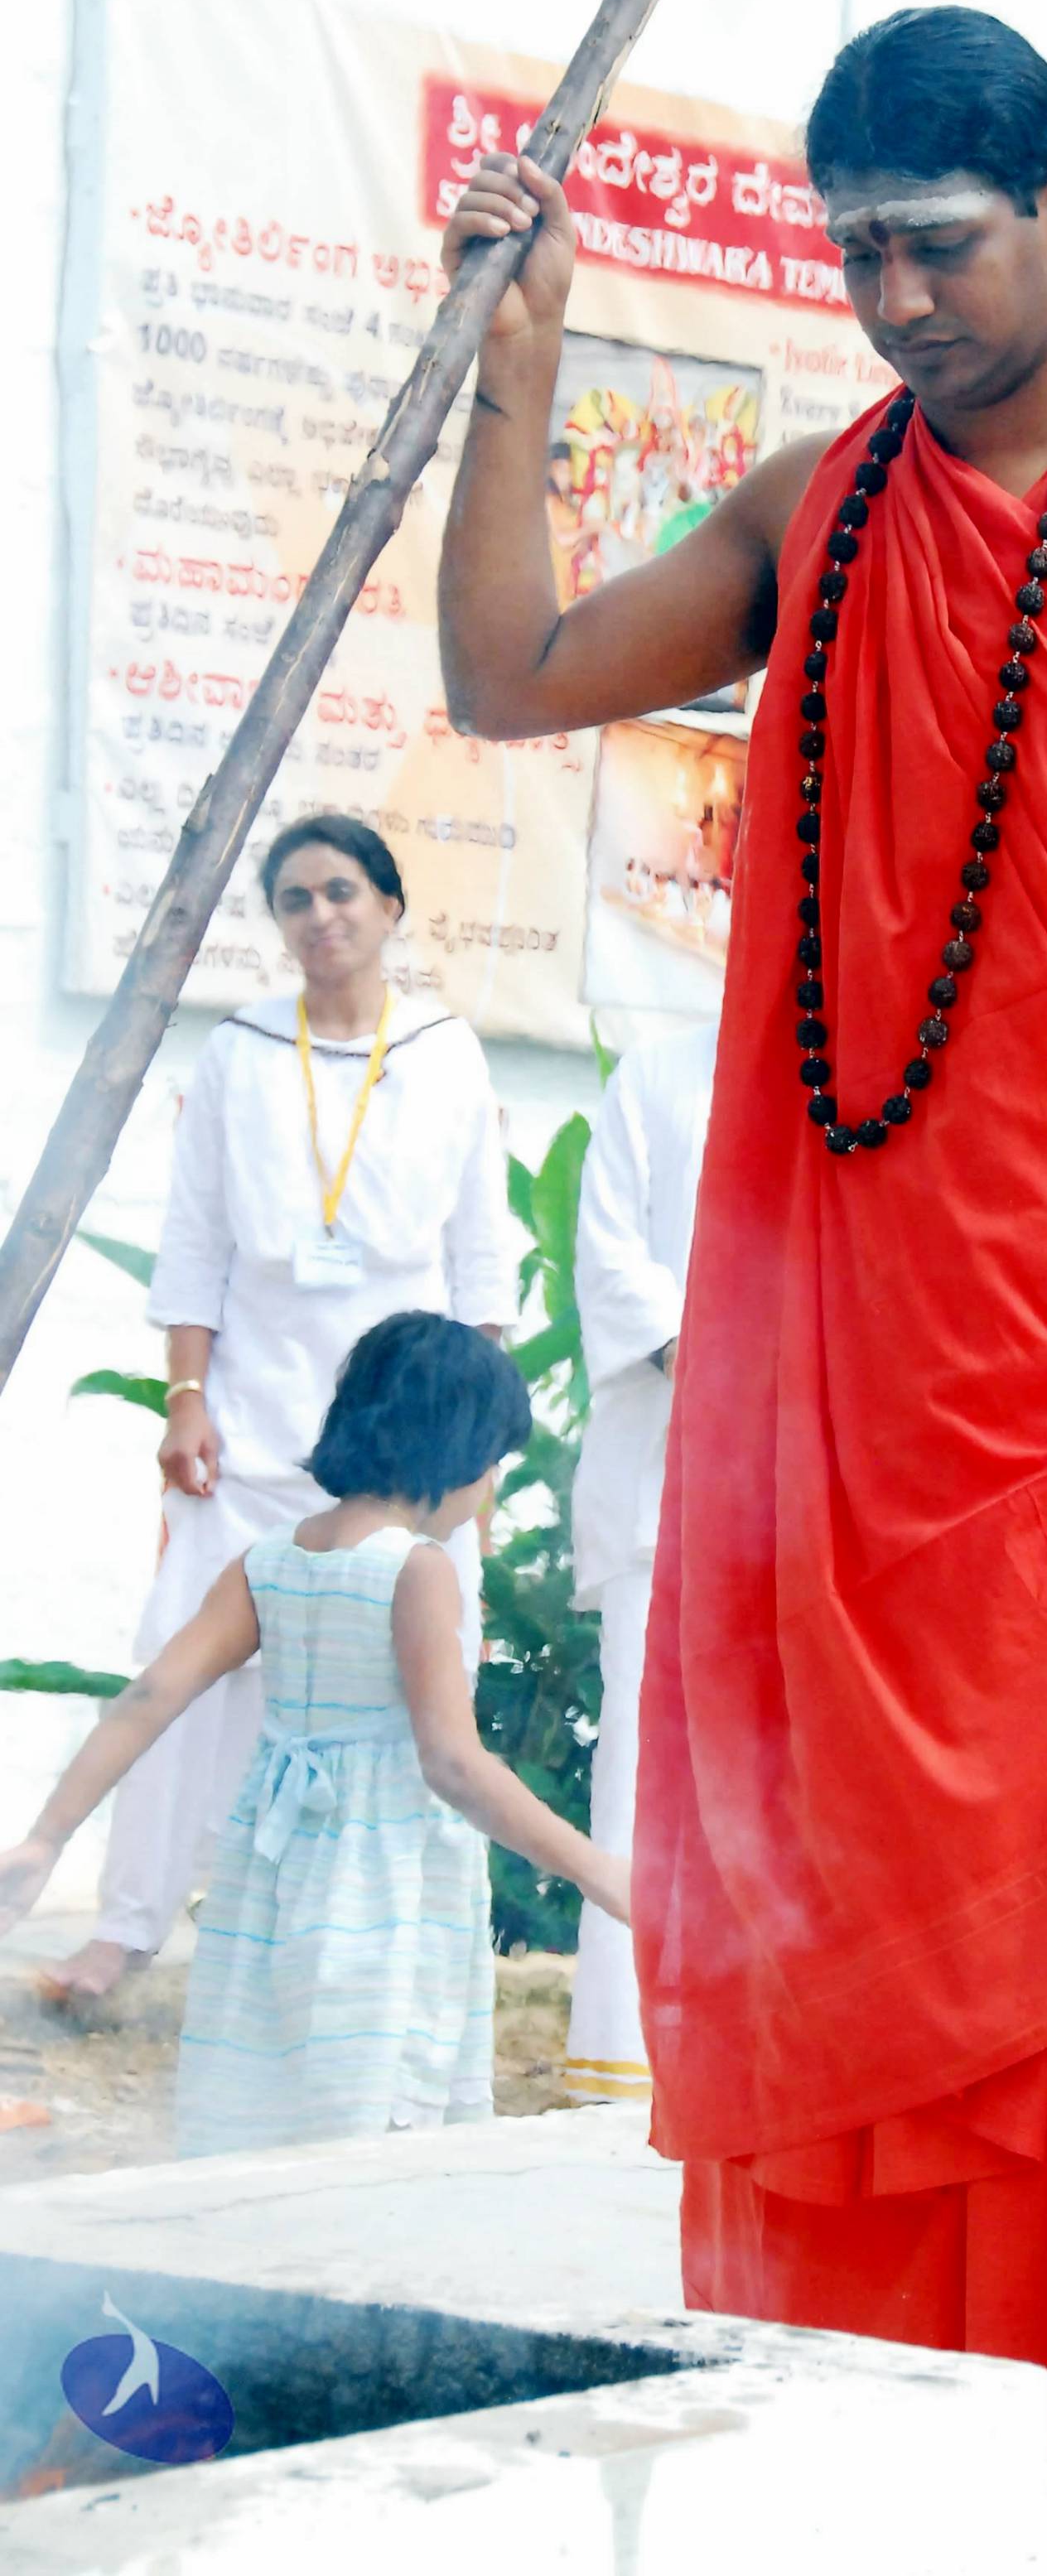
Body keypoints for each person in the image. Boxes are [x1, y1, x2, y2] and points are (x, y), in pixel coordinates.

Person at [436, 7, 1047, 2528]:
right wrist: (516, 365)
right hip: (844, 1358)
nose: (894, 301)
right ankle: (850, 2467)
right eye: (853, 253)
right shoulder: (813, 511)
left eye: (936, 246)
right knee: (848, 1874)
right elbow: (507, 676)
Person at [43, 818, 518, 2010]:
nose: (321, 917)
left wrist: (482, 1455)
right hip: (250, 1426)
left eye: (342, 891)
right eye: (295, 898)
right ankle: (126, 1931)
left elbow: (481, 1258)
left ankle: (400, 1947)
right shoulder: (242, 1050)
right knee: (180, 1661)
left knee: (422, 1680)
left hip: (407, 1438)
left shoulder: (447, 1053)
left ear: (391, 906)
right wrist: (186, 1399)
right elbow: (196, 1238)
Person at [0, 1317, 629, 2156]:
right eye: (491, 1463)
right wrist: (596, 1869)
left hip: (272, 1876)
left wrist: (46, 1836)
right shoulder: (416, 1569)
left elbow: (152, 1694)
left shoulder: (267, 1560)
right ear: (453, 1448)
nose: (489, 1486)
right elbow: (451, 1760)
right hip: (379, 1885)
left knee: (263, 2104)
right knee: (370, 2116)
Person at [564, 1017, 718, 2107]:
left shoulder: (865, 1068)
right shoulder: (659, 1072)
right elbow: (609, 1251)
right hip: (667, 1475)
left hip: (816, 1484)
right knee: (644, 1761)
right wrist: (704, 1356)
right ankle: (625, 2057)